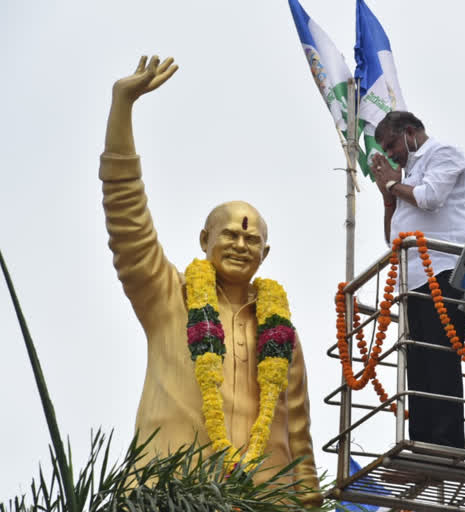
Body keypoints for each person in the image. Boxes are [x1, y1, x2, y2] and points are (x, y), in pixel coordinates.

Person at [99, 56, 320, 504]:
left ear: (266, 254)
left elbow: (299, 439)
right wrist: (122, 105)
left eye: (252, 239)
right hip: (173, 495)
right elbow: (128, 221)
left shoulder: (282, 336)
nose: (241, 245)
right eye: (230, 235)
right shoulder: (169, 299)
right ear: (204, 239)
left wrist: (313, 503)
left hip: (264, 502)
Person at [370, 111, 465, 448]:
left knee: (440, 358)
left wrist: (392, 183)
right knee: (419, 364)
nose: (390, 155)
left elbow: (430, 198)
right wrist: (389, 197)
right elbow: (392, 237)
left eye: (391, 145)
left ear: (410, 132)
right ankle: (422, 446)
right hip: (411, 280)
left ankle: (446, 447)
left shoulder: (444, 153)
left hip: (444, 271)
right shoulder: (407, 173)